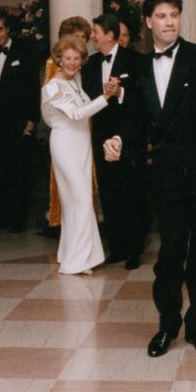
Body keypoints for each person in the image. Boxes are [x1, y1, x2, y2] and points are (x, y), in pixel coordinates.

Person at [104, 0, 196, 358]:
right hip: (164, 174)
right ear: (148, 22)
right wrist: (117, 139)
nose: (170, 22)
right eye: (162, 16)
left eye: (175, 15)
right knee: (170, 253)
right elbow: (133, 121)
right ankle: (167, 325)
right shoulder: (140, 67)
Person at [42, 34, 119, 274]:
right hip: (65, 145)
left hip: (82, 145)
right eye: (68, 58)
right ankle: (77, 262)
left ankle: (71, 255)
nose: (73, 63)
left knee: (77, 202)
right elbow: (77, 114)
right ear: (59, 59)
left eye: (77, 58)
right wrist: (106, 97)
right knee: (81, 201)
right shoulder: (52, 86)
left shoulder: (75, 82)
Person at [82, 13, 148, 269]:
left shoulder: (136, 60)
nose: (92, 36)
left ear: (109, 35)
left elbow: (143, 99)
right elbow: (88, 97)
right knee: (109, 193)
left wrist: (119, 92)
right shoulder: (91, 64)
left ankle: (134, 250)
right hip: (101, 135)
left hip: (129, 136)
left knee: (132, 192)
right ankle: (117, 248)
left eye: (95, 32)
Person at [0, 12, 40, 232]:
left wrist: (32, 120)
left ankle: (18, 219)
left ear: (7, 30)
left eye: (0, 30)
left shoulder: (24, 51)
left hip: (18, 120)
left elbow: (33, 87)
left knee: (18, 171)